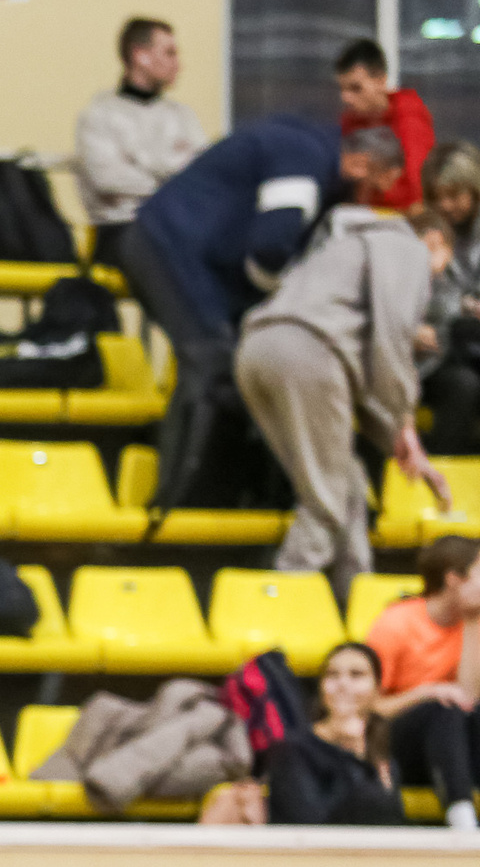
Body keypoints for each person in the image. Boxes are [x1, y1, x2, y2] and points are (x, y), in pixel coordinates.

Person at [121, 118, 402, 519]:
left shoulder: (312, 153)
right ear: (359, 165)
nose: (366, 205)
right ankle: (177, 505)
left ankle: (233, 496)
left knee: (244, 367)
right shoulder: (306, 159)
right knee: (211, 362)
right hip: (169, 250)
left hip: (201, 265)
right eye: (373, 190)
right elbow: (270, 248)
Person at [237, 206, 453, 600]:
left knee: (346, 481)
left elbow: (362, 376)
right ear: (436, 240)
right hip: (309, 351)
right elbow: (393, 339)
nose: (433, 281)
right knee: (326, 500)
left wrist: (396, 438)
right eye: (441, 268)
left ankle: (356, 599)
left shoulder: (342, 250)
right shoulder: (406, 248)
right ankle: (281, 600)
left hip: (257, 349)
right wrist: (405, 420)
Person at [75, 17, 209, 270]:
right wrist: (170, 177)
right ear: (141, 56)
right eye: (170, 53)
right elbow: (109, 181)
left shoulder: (183, 117)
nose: (178, 64)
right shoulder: (98, 116)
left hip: (177, 227)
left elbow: (200, 176)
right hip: (121, 230)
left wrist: (140, 164)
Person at [367, 535, 480, 830]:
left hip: (456, 742)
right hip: (396, 741)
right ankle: (463, 820)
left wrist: (471, 623)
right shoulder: (396, 623)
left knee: (456, 710)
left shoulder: (474, 624)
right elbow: (368, 709)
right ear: (454, 579)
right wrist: (427, 692)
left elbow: (468, 697)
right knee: (441, 710)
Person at [257, 643, 404, 825]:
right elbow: (310, 824)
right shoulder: (291, 750)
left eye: (356, 675)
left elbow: (392, 826)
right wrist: (351, 757)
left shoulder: (381, 755)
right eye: (332, 675)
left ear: (378, 689)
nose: (343, 684)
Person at [416, 139, 480, 456]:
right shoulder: (419, 232)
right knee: (464, 386)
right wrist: (464, 307)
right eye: (435, 197)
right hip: (431, 353)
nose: (445, 206)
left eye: (454, 196)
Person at [335, 38, 434, 213]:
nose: (346, 98)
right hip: (364, 214)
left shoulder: (407, 112)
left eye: (356, 88)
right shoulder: (350, 120)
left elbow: (420, 180)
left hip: (405, 216)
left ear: (381, 81)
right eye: (342, 89)